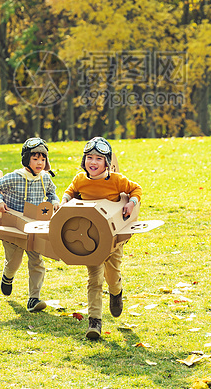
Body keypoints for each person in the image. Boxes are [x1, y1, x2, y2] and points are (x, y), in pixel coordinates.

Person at [60, 136, 142, 340]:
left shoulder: (116, 180)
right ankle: (94, 321)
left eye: (98, 158)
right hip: (91, 240)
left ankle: (116, 292)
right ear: (84, 161)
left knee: (112, 276)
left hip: (113, 238)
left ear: (107, 162)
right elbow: (70, 192)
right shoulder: (80, 179)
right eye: (89, 158)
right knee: (94, 279)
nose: (93, 162)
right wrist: (64, 201)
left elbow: (136, 189)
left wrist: (131, 203)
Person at [0, 137, 59, 312]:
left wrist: (55, 201)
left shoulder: (45, 178)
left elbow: (52, 193)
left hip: (35, 227)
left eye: (43, 159)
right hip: (14, 226)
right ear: (27, 159)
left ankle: (34, 299)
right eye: (35, 159)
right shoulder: (14, 177)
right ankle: (7, 276)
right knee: (14, 261)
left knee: (37, 261)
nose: (39, 163)